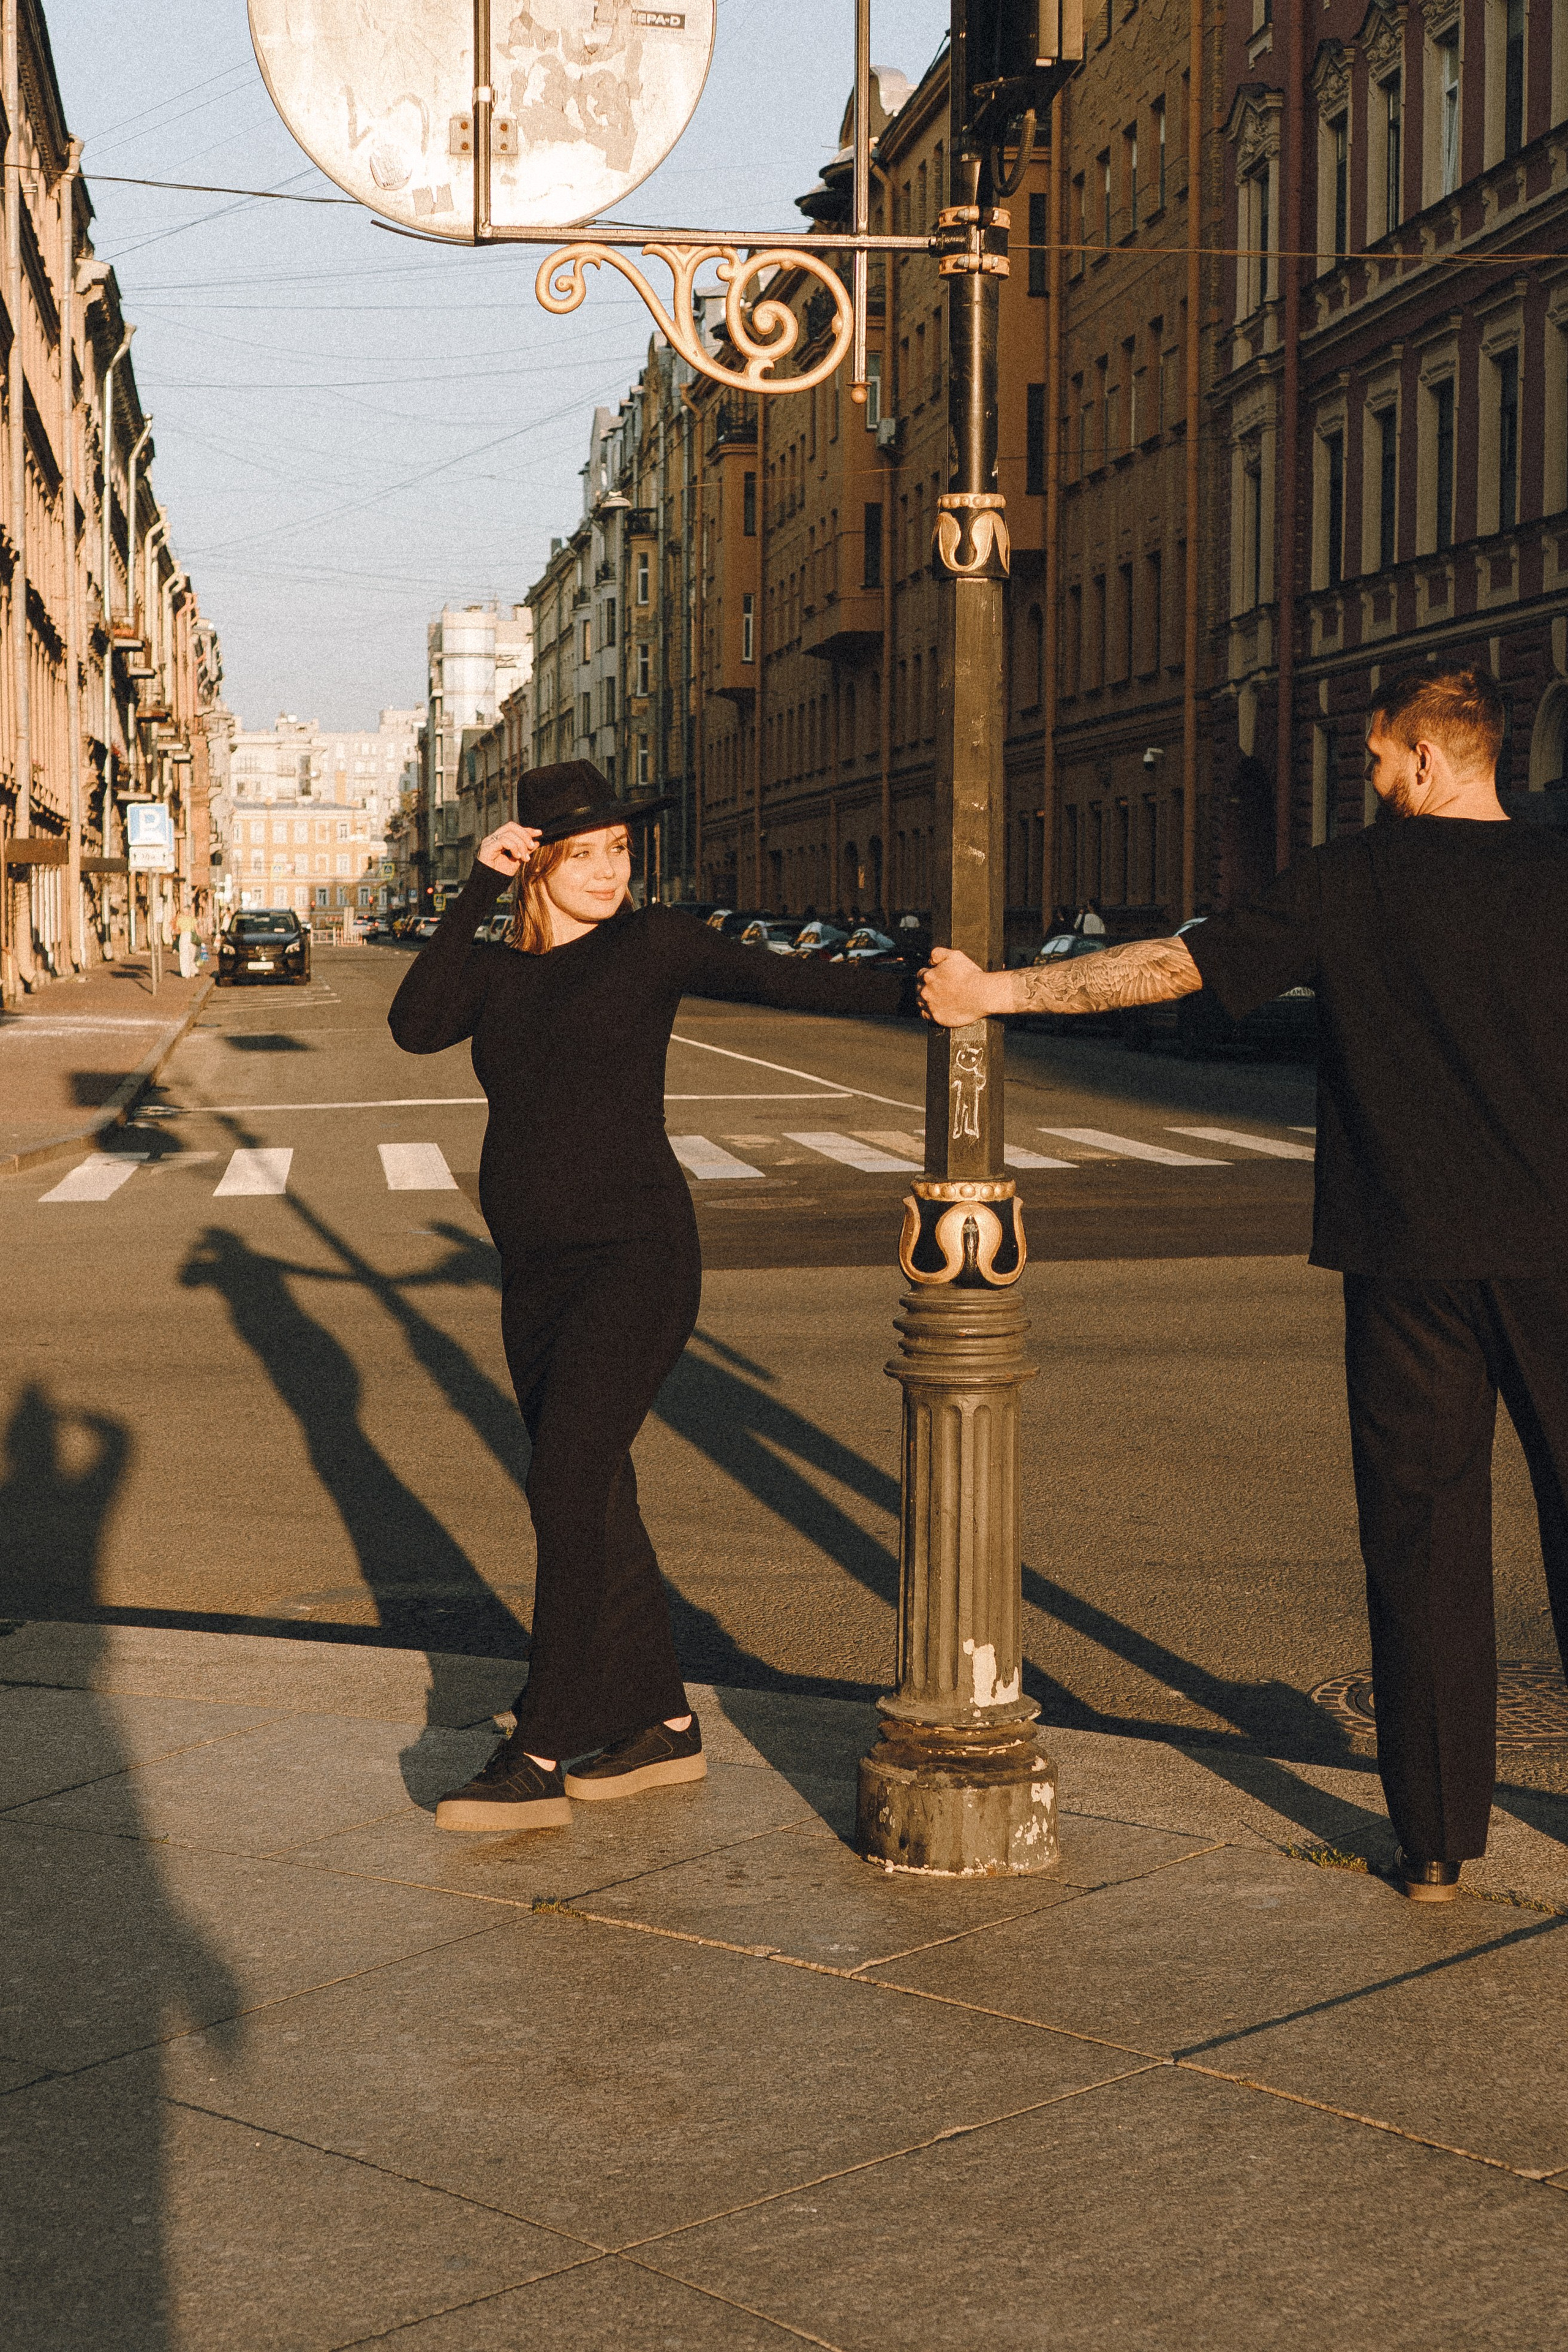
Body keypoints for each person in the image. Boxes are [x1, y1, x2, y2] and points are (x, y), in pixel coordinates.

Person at [919, 666, 1568, 1905]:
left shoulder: (1350, 881)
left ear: (1424, 758)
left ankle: (1433, 1844)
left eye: (1376, 760)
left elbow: (1170, 968)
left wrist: (993, 992)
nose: (1368, 781)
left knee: (1422, 1546)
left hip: (1403, 1260)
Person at [388, 760, 916, 1833]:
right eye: (582, 854)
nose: (607, 871)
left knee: (568, 1475)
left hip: (637, 1255)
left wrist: (923, 986)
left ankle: (543, 1740)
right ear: (536, 859)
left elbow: (788, 980)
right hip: (536, 1269)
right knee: (592, 1489)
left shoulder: (656, 943)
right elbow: (415, 1022)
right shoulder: (495, 971)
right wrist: (478, 889)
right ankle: (663, 1727)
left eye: (619, 850)